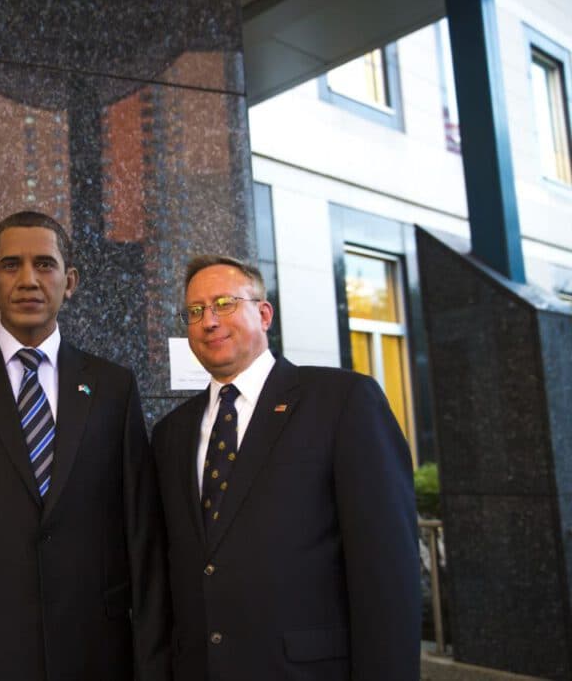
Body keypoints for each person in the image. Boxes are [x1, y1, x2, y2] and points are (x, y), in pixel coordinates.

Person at [0, 211, 170, 681]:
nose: (28, 280)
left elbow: (142, 535)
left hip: (98, 651)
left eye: (44, 265)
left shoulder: (113, 388)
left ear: (69, 281)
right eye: (11, 265)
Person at [152, 255, 420, 680]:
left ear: (263, 313)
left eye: (224, 303)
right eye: (195, 311)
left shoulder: (342, 402)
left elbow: (387, 570)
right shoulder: (170, 434)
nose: (209, 321)